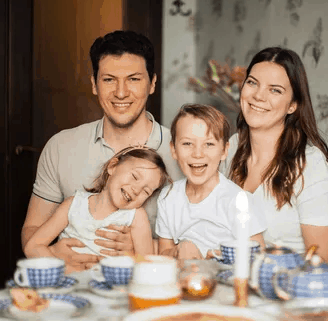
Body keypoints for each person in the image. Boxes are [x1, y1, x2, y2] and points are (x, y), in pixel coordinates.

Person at [21, 30, 183, 272]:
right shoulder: (60, 146)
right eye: (109, 79)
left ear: (153, 84)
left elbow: (203, 244)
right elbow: (32, 230)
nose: (120, 92)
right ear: (94, 84)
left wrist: (143, 248)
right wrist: (52, 255)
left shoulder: (185, 152)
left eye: (134, 79)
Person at [220, 47, 328, 266]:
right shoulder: (231, 148)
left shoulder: (310, 167)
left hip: (288, 290)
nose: (258, 95)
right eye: (252, 82)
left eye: (275, 90)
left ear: (293, 105)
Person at [24, 146, 170, 272]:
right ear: (112, 166)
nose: (137, 189)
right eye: (134, 176)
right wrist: (63, 270)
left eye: (146, 191)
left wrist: (128, 260)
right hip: (66, 283)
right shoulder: (74, 204)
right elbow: (33, 246)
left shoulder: (137, 216)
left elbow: (145, 265)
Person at [156, 104, 266, 260]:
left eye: (209, 144)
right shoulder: (168, 197)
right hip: (185, 278)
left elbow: (258, 254)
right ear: (173, 149)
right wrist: (180, 250)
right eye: (187, 143)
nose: (198, 154)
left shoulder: (238, 200)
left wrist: (224, 259)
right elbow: (164, 252)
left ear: (224, 150)